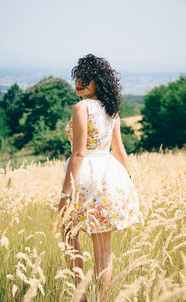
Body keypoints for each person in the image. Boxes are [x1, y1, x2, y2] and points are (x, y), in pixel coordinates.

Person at [58, 53, 143, 302]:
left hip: (84, 177)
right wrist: (128, 181)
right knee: (103, 247)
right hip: (109, 175)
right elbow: (119, 151)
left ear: (99, 82)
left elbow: (78, 153)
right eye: (77, 77)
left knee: (68, 233)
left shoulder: (81, 107)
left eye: (86, 78)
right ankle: (100, 299)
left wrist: (65, 194)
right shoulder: (111, 109)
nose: (79, 82)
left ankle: (81, 295)